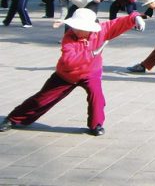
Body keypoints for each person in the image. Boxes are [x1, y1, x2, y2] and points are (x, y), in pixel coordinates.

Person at [0, 9, 145, 136]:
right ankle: (13, 119)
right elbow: (69, 61)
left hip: (91, 73)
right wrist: (92, 54)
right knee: (41, 99)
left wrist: (135, 17)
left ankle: (96, 125)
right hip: (66, 75)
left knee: (97, 97)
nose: (76, 30)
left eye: (80, 27)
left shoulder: (101, 30)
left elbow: (119, 22)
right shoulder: (69, 38)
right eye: (75, 26)